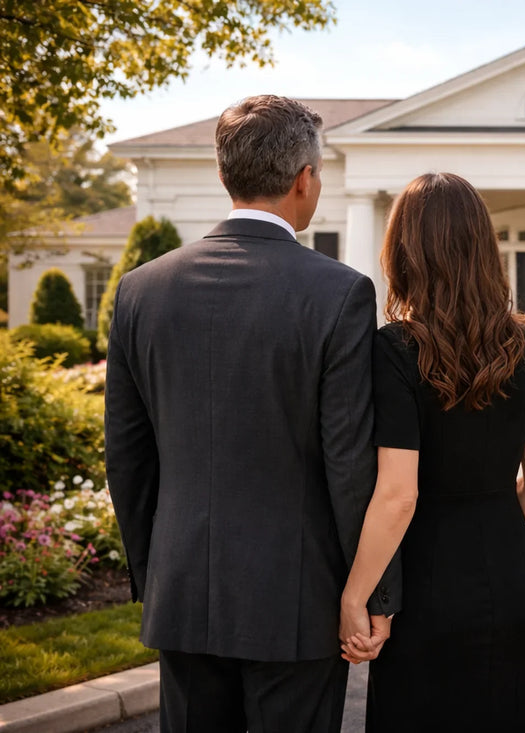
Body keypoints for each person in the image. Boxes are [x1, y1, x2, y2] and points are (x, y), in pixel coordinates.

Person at [105, 94, 401, 733]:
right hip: (296, 605)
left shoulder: (140, 289)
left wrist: (157, 577)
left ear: (223, 176)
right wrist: (373, 595)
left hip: (182, 595)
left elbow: (127, 458)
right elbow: (348, 462)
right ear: (304, 180)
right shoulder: (340, 292)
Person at [338, 172, 525, 732]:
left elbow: (397, 495)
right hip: (512, 584)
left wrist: (355, 597)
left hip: (428, 593)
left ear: (405, 252)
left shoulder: (395, 349)